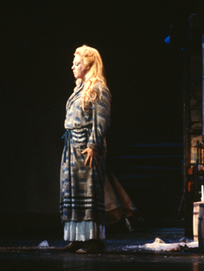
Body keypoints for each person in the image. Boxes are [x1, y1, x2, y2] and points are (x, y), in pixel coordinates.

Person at [59, 45, 115, 254]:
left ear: (89, 64)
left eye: (77, 63)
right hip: (72, 146)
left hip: (86, 147)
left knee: (88, 192)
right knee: (72, 193)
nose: (73, 67)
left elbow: (101, 120)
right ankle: (76, 238)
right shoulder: (79, 89)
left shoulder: (98, 88)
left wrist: (93, 145)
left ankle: (93, 241)